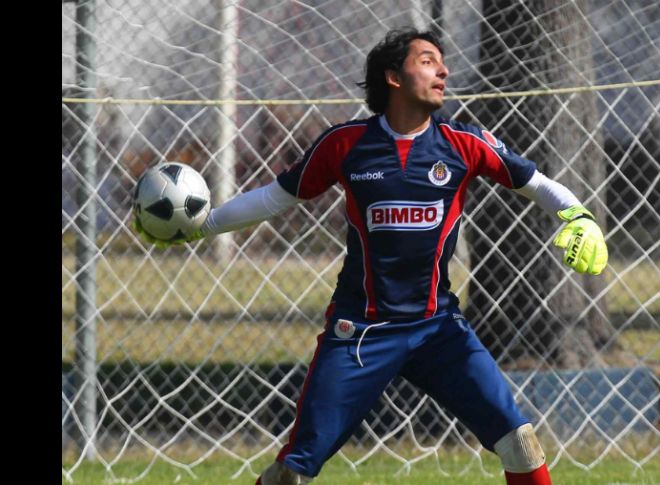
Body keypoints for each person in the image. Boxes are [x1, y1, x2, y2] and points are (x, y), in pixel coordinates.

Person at [134, 28, 608, 485]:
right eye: (428, 62)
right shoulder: (345, 145)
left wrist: (579, 216)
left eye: (443, 64)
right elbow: (274, 198)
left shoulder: (465, 144)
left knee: (520, 441)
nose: (443, 72)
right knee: (295, 469)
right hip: (359, 333)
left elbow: (539, 183)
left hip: (438, 329)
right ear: (393, 77)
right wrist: (205, 225)